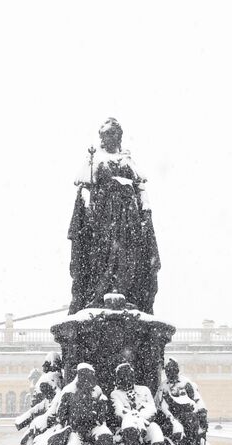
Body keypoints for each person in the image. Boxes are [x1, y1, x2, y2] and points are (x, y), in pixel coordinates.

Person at [68, 117, 161, 314]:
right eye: (106, 135)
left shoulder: (128, 159)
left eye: (113, 134)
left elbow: (140, 187)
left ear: (119, 136)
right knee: (101, 254)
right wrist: (87, 209)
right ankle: (98, 293)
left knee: (127, 255)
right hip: (104, 216)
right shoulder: (95, 159)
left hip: (128, 217)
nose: (109, 138)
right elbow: (85, 188)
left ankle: (124, 291)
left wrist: (145, 208)